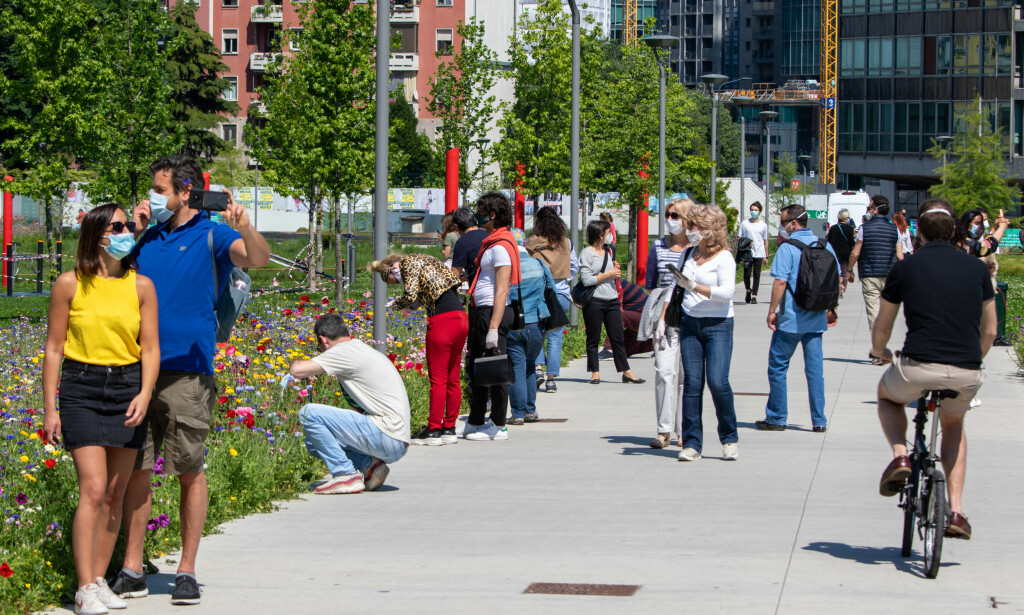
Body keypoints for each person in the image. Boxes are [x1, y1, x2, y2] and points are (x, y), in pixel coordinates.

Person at [112, 155, 270, 606]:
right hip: (136, 368)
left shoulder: (212, 233)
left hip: (187, 373)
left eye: (161, 190)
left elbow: (255, 259)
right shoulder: (149, 237)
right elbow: (110, 277)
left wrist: (244, 224)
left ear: (186, 192)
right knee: (136, 472)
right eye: (152, 190)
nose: (153, 198)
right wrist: (137, 230)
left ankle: (186, 569)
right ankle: (132, 566)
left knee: (188, 470)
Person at [42, 204, 159, 615]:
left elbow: (150, 348)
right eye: (119, 225)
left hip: (127, 388)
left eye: (129, 224)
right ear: (97, 234)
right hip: (81, 388)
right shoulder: (69, 284)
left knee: (114, 493)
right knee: (92, 488)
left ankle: (99, 579)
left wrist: (145, 394)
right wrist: (49, 408)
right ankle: (83, 587)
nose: (128, 230)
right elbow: (54, 348)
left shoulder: (141, 285)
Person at [871, 198, 996, 541]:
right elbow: (990, 331)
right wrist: (976, 358)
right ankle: (955, 511)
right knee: (954, 424)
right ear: (955, 229)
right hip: (967, 370)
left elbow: (883, 323)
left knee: (888, 397)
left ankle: (900, 457)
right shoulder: (976, 269)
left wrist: (879, 351)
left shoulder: (905, 268)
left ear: (920, 232)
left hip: (918, 365)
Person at [288, 314, 409, 494]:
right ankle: (370, 467)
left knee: (308, 413)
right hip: (397, 439)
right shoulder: (359, 349)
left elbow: (297, 370)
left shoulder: (343, 351)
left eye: (318, 347)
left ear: (323, 340)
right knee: (313, 442)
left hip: (387, 434)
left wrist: (299, 365)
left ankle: (345, 475)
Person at [755, 204, 839, 434]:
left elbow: (780, 282)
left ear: (793, 223)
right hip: (816, 319)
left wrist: (772, 310)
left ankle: (777, 417)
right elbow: (835, 280)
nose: (781, 227)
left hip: (791, 318)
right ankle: (819, 420)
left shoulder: (787, 248)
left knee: (778, 367)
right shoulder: (825, 245)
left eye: (783, 223)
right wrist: (832, 307)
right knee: (814, 372)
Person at [369, 253, 466, 446]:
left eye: (392, 281)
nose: (396, 283)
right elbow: (437, 289)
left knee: (438, 379)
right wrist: (417, 304)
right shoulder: (426, 259)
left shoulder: (406, 264)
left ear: (390, 270)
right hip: (460, 317)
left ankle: (434, 430)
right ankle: (449, 427)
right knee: (453, 378)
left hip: (442, 321)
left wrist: (396, 304)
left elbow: (410, 294)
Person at [672, 204, 738, 462]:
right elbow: (678, 286)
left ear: (710, 229)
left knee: (718, 382)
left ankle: (730, 438)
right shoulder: (688, 254)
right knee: (692, 384)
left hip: (718, 324)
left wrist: (695, 286)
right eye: (689, 225)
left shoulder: (724, 258)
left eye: (694, 226)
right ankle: (691, 443)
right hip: (690, 323)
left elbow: (727, 293)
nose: (689, 231)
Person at [463, 192, 520, 441]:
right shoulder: (492, 243)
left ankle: (498, 424)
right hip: (482, 309)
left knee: (495, 367)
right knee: (477, 366)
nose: (477, 216)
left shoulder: (501, 246)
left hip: (492, 311)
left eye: (481, 211)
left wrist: (494, 327)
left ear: (492, 215)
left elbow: (502, 289)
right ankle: (476, 421)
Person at [643, 197, 692, 449]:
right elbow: (651, 284)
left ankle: (684, 429)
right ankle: (663, 430)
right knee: (664, 371)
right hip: (664, 318)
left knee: (686, 376)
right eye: (668, 215)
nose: (670, 220)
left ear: (686, 219)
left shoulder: (696, 248)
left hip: (690, 315)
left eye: (675, 216)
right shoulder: (658, 247)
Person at [578, 219, 645, 385]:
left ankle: (626, 371)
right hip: (594, 301)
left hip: (612, 299)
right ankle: (595, 372)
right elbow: (586, 280)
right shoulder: (587, 253)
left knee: (617, 337)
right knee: (593, 338)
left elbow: (611, 274)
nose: (610, 236)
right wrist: (608, 274)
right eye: (608, 233)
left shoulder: (608, 251)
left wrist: (615, 270)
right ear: (600, 235)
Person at [507, 228, 557, 424]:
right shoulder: (538, 263)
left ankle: (518, 413)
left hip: (514, 323)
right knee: (529, 365)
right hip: (537, 323)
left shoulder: (507, 266)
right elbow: (551, 288)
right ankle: (530, 410)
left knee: (516, 366)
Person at [526, 206, 577, 393]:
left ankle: (538, 369)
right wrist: (563, 278)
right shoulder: (566, 243)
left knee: (537, 333)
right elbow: (574, 267)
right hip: (560, 294)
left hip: (538, 294)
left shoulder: (530, 242)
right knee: (556, 337)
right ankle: (551, 379)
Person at [846, 195, 901, 343]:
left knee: (873, 313)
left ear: (875, 210)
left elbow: (856, 252)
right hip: (890, 276)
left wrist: (850, 270)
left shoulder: (865, 228)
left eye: (869, 208)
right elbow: (900, 256)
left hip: (870, 275)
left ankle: (878, 350)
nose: (867, 211)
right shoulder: (894, 230)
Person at [738, 201, 769, 304]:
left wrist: (766, 256)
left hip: (759, 252)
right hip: (747, 252)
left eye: (756, 210)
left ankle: (754, 295)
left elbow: (765, 241)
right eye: (752, 210)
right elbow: (739, 237)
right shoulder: (744, 223)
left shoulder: (763, 225)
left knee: (757, 274)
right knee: (746, 273)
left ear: (759, 212)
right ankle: (748, 290)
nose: (753, 212)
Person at [451, 206, 487, 285]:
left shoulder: (462, 242)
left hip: (479, 288)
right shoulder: (488, 234)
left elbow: (454, 276)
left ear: (456, 226)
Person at [826, 209, 856, 297]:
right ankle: (842, 289)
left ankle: (836, 288)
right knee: (844, 273)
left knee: (835, 273)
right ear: (846, 218)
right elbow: (852, 243)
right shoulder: (849, 229)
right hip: (845, 255)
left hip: (834, 254)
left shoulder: (833, 228)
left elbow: (829, 242)